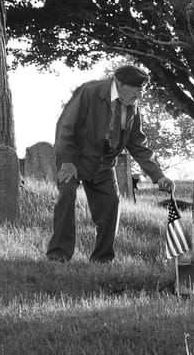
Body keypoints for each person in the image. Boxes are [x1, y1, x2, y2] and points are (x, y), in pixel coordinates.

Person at [47, 64, 175, 263]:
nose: (139, 95)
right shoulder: (89, 92)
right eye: (136, 90)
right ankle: (58, 255)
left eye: (142, 90)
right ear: (120, 84)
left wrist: (158, 176)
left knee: (111, 205)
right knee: (67, 196)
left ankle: (102, 259)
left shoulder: (132, 107)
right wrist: (67, 161)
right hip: (75, 158)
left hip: (104, 162)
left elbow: (138, 145)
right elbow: (65, 126)